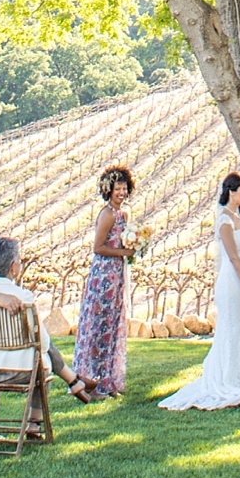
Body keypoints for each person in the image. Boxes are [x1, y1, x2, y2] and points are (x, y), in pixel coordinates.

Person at [160, 174, 240, 410]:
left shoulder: (239, 218)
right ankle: (227, 380)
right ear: (231, 192)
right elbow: (233, 258)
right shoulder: (224, 220)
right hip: (232, 283)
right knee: (232, 328)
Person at [0, 235, 80, 422]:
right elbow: (43, 342)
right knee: (43, 361)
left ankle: (74, 382)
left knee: (43, 356)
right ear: (14, 266)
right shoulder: (24, 297)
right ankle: (34, 423)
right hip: (21, 371)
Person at [71, 165, 136, 402]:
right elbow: (98, 247)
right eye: (117, 188)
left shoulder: (124, 215)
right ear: (109, 190)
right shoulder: (107, 214)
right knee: (98, 328)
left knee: (111, 326)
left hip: (117, 277)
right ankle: (90, 381)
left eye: (124, 188)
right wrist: (122, 252)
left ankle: (108, 380)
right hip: (103, 277)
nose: (121, 192)